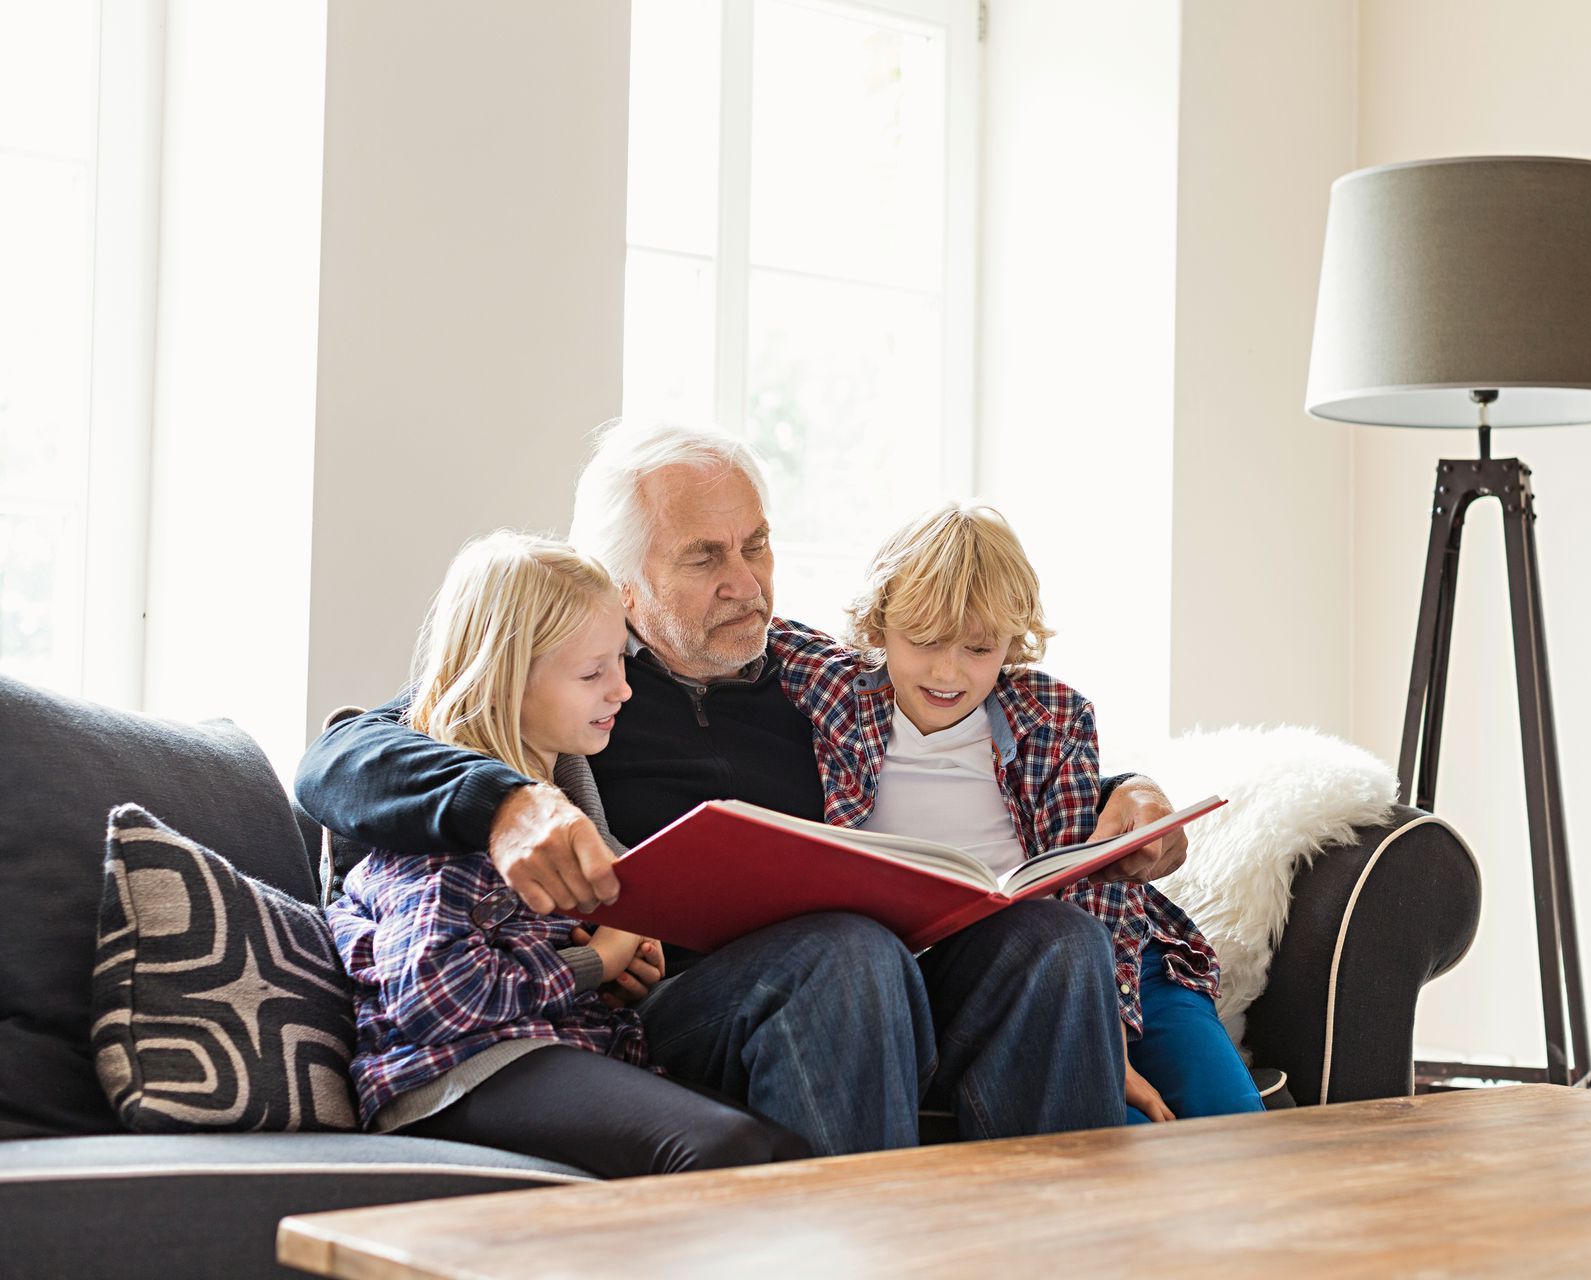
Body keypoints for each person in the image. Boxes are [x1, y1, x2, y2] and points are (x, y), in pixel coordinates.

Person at [297, 420, 1180, 1154]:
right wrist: (506, 801)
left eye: (756, 545)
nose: (746, 582)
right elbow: (342, 759)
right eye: (704, 558)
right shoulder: (581, 684)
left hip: (885, 986)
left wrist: (1126, 789)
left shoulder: (822, 680)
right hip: (682, 1005)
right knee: (843, 949)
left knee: (1054, 939)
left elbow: (966, 736)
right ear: (623, 583)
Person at [327, 530, 808, 1175]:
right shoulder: (452, 817)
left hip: (548, 1047)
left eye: (620, 663)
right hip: (453, 1074)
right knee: (720, 1149)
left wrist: (618, 971)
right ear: (506, 681)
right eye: (592, 673)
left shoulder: (564, 794)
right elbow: (434, 999)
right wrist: (593, 962)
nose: (623, 691)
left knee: (791, 1157)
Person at [772, 502, 1265, 1124]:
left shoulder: (1050, 717)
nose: (948, 671)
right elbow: (739, 626)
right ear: (879, 625)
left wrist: (1108, 1032)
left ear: (1011, 643)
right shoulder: (837, 689)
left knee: (1230, 1112)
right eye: (923, 640)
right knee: (1126, 1133)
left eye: (979, 649)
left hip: (1113, 954)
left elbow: (1093, 885)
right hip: (991, 976)